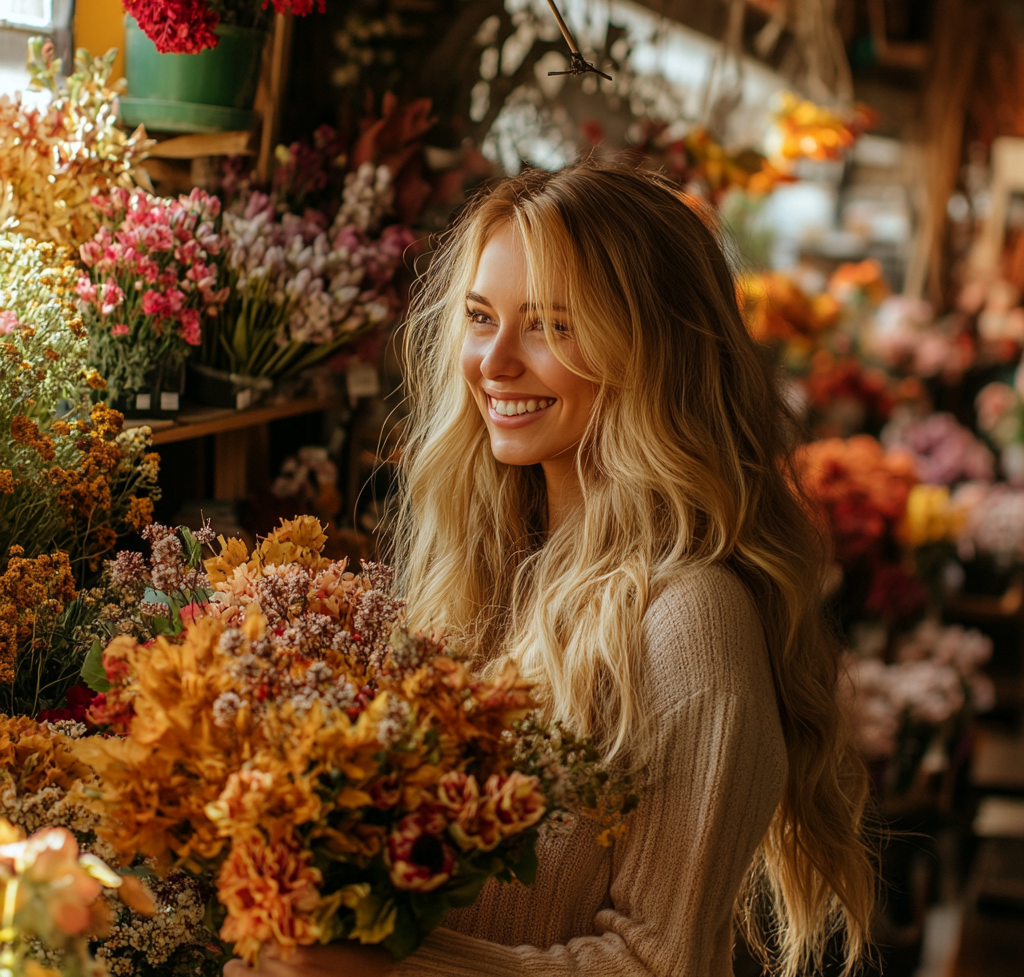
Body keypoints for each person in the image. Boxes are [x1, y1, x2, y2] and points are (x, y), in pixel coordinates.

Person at [225, 164, 875, 977]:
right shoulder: (484, 570)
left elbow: (655, 962)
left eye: (550, 327)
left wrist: (376, 968)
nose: (494, 363)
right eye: (480, 318)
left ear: (655, 350)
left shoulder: (692, 621)